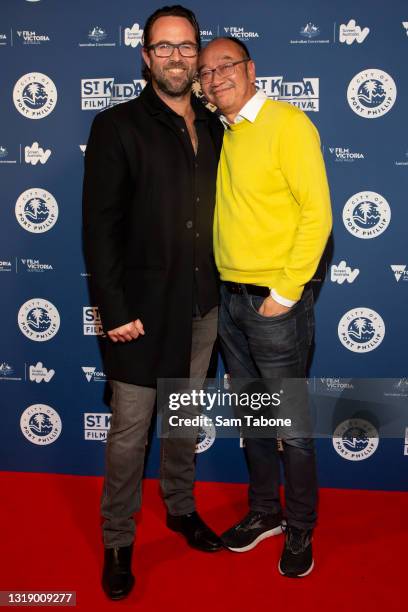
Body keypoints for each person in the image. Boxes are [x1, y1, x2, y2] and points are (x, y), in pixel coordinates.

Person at [82, 6, 224, 600]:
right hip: (138, 314)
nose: (174, 57)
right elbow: (100, 227)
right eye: (162, 47)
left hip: (202, 308)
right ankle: (118, 539)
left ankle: (181, 508)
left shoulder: (217, 128)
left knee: (185, 422)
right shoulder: (117, 126)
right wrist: (112, 310)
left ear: (197, 56)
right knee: (129, 433)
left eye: (185, 47)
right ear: (145, 56)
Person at [199, 37, 332, 577]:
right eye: (205, 72)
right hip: (229, 301)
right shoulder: (222, 134)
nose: (215, 77)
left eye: (226, 65)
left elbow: (316, 215)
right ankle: (264, 513)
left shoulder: (287, 124)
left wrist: (284, 295)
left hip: (273, 305)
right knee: (254, 419)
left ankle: (300, 526)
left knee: (292, 429)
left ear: (251, 69)